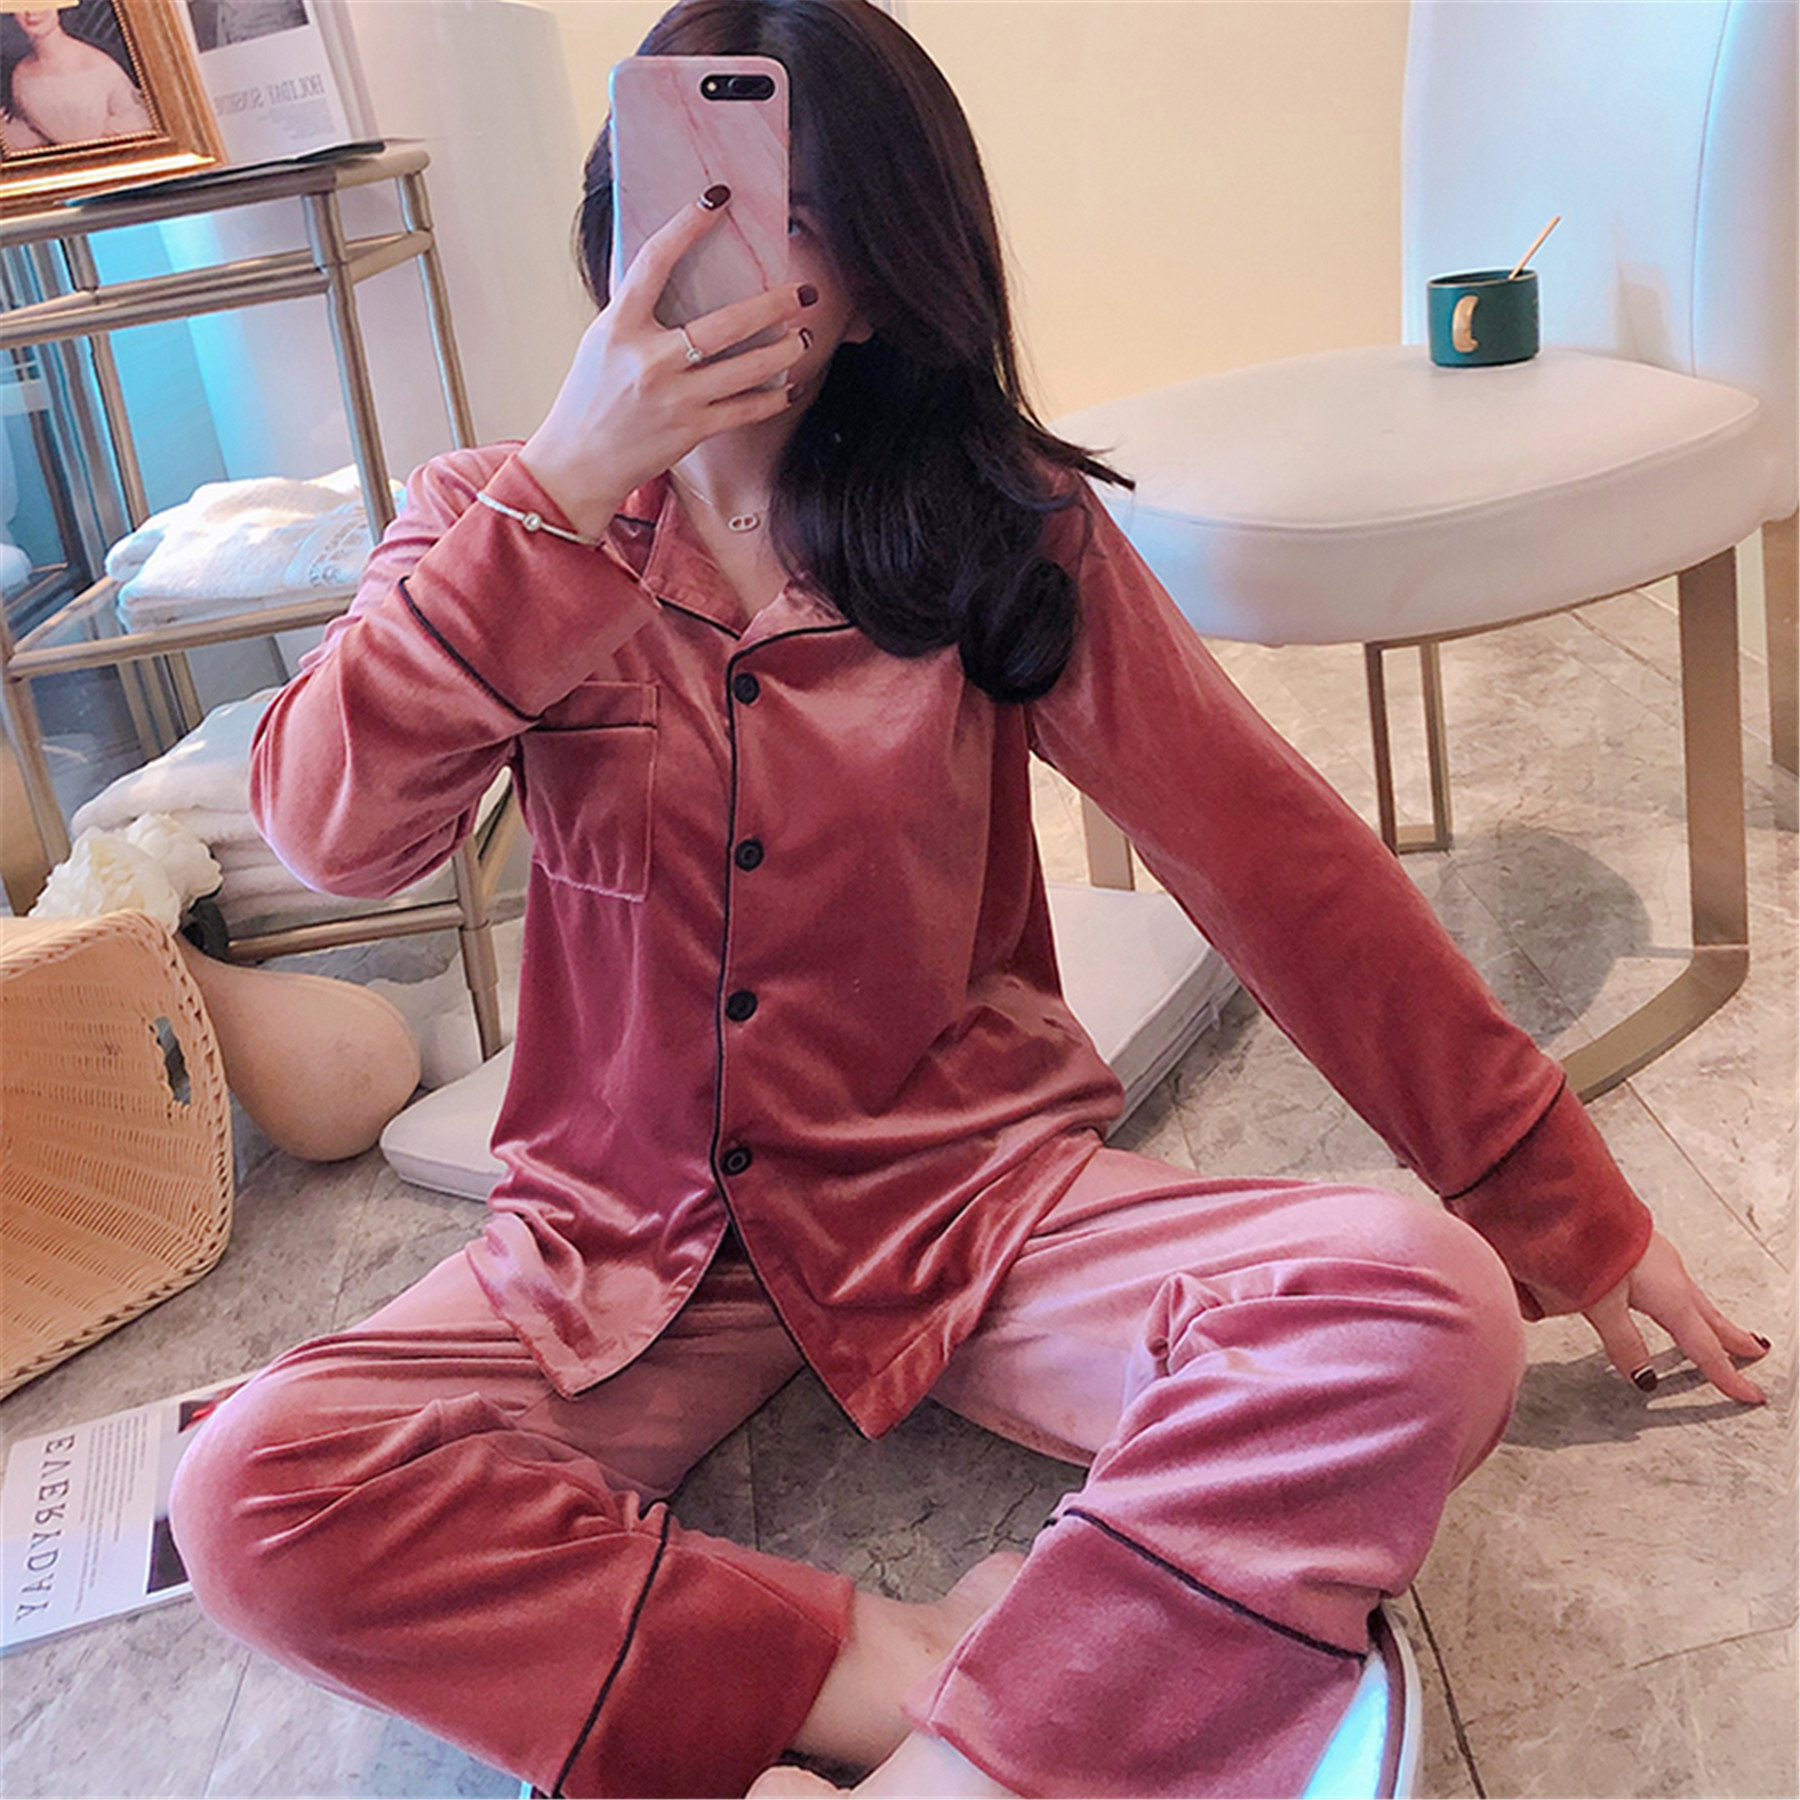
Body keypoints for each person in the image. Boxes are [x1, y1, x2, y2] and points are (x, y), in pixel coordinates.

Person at [167, 3, 1770, 1795]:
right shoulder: (497, 521)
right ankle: (903, 1676)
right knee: (251, 1491)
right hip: (619, 1244)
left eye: (794, 215)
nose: (721, 252)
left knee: (1423, 1304)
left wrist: (1555, 1197)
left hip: (968, 1204)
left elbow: (1272, 858)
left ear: (875, 281)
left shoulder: (1002, 526)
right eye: (682, 192)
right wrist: (566, 487)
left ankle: (979, 1763)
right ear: (616, 221)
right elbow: (333, 832)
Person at [0, 1, 151, 150]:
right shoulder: (20, 75)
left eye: (40, 3)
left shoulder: (97, 64)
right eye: (20, 5)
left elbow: (137, 122)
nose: (31, 13)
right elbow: (33, 135)